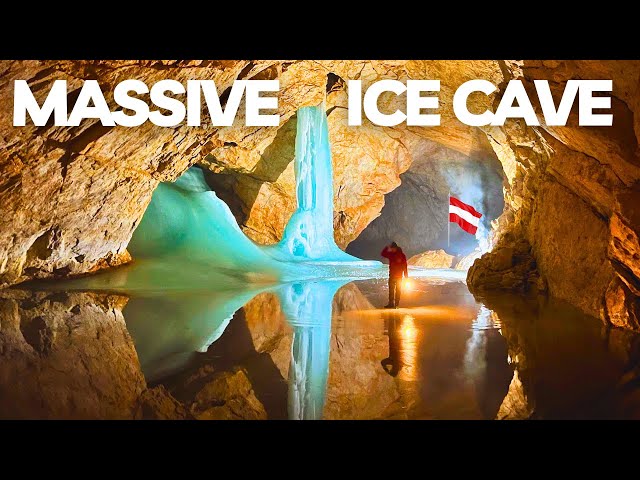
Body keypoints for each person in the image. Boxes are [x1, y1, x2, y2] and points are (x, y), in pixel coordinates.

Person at [380, 241, 408, 308]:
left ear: (395, 248)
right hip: (393, 275)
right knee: (391, 291)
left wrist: (406, 275)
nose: (392, 249)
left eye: (392, 248)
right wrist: (387, 247)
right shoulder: (391, 254)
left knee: (398, 290)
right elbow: (383, 254)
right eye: (391, 248)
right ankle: (391, 304)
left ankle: (396, 305)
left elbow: (405, 265)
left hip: (398, 276)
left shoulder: (401, 255)